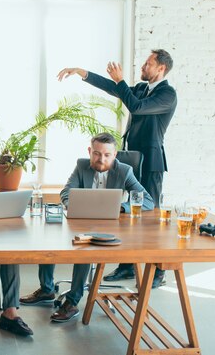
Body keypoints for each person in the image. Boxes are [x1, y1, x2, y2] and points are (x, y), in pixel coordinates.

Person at [57, 49, 176, 287]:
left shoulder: (167, 94)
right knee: (130, 212)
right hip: (132, 157)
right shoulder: (143, 89)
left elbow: (137, 107)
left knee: (150, 214)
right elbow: (116, 90)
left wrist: (120, 81)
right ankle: (126, 266)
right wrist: (83, 73)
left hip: (151, 162)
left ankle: (158, 271)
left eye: (148, 63)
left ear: (161, 68)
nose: (143, 66)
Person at [20, 133, 154, 322]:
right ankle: (47, 290)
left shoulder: (125, 171)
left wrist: (121, 207)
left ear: (114, 154)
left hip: (109, 227)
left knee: (86, 245)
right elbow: (66, 191)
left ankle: (72, 302)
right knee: (48, 236)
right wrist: (69, 203)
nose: (101, 159)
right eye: (97, 154)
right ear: (90, 151)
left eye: (107, 155)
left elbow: (147, 200)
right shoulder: (82, 166)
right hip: (79, 220)